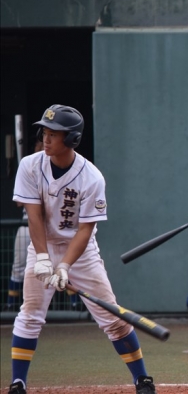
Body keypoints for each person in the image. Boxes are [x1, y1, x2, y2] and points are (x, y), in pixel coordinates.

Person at [8, 105, 157, 394]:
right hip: (42, 244)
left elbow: (85, 230)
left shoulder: (92, 177)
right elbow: (34, 215)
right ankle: (18, 382)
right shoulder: (29, 165)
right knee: (30, 314)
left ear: (72, 139)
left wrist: (65, 265)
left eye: (54, 134)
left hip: (81, 252)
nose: (46, 138)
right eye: (44, 132)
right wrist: (43, 258)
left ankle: (141, 379)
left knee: (112, 318)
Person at [4, 140, 43, 312]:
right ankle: (11, 304)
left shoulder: (56, 172)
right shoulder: (28, 168)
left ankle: (75, 306)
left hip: (49, 227)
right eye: (38, 145)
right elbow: (19, 202)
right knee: (19, 267)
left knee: (61, 267)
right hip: (26, 224)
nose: (41, 147)